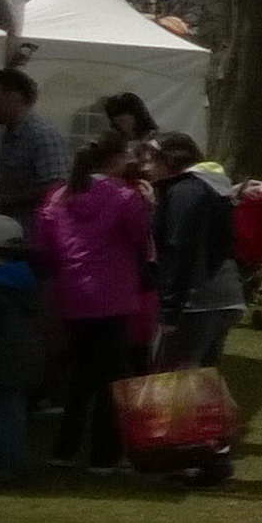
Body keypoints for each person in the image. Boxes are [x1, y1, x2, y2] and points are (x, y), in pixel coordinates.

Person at [35, 132, 151, 472]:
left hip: (73, 294)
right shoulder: (124, 198)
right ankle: (104, 454)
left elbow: (45, 242)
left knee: (81, 373)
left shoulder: (60, 196)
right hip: (112, 296)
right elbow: (141, 237)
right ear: (115, 158)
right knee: (114, 378)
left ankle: (65, 449)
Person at [149, 134, 245, 372]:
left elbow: (179, 248)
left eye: (152, 160)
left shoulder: (186, 191)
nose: (146, 167)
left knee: (179, 377)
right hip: (222, 295)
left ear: (169, 161)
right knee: (203, 375)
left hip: (197, 300)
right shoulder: (206, 186)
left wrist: (170, 313)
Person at [0, 213, 39, 480]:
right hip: (23, 362)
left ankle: (3, 468)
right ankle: (7, 464)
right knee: (10, 416)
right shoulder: (26, 281)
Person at [0, 65, 70, 213]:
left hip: (33, 228)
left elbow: (56, 187)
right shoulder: (8, 134)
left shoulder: (42, 135)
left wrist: (2, 200)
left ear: (13, 97)